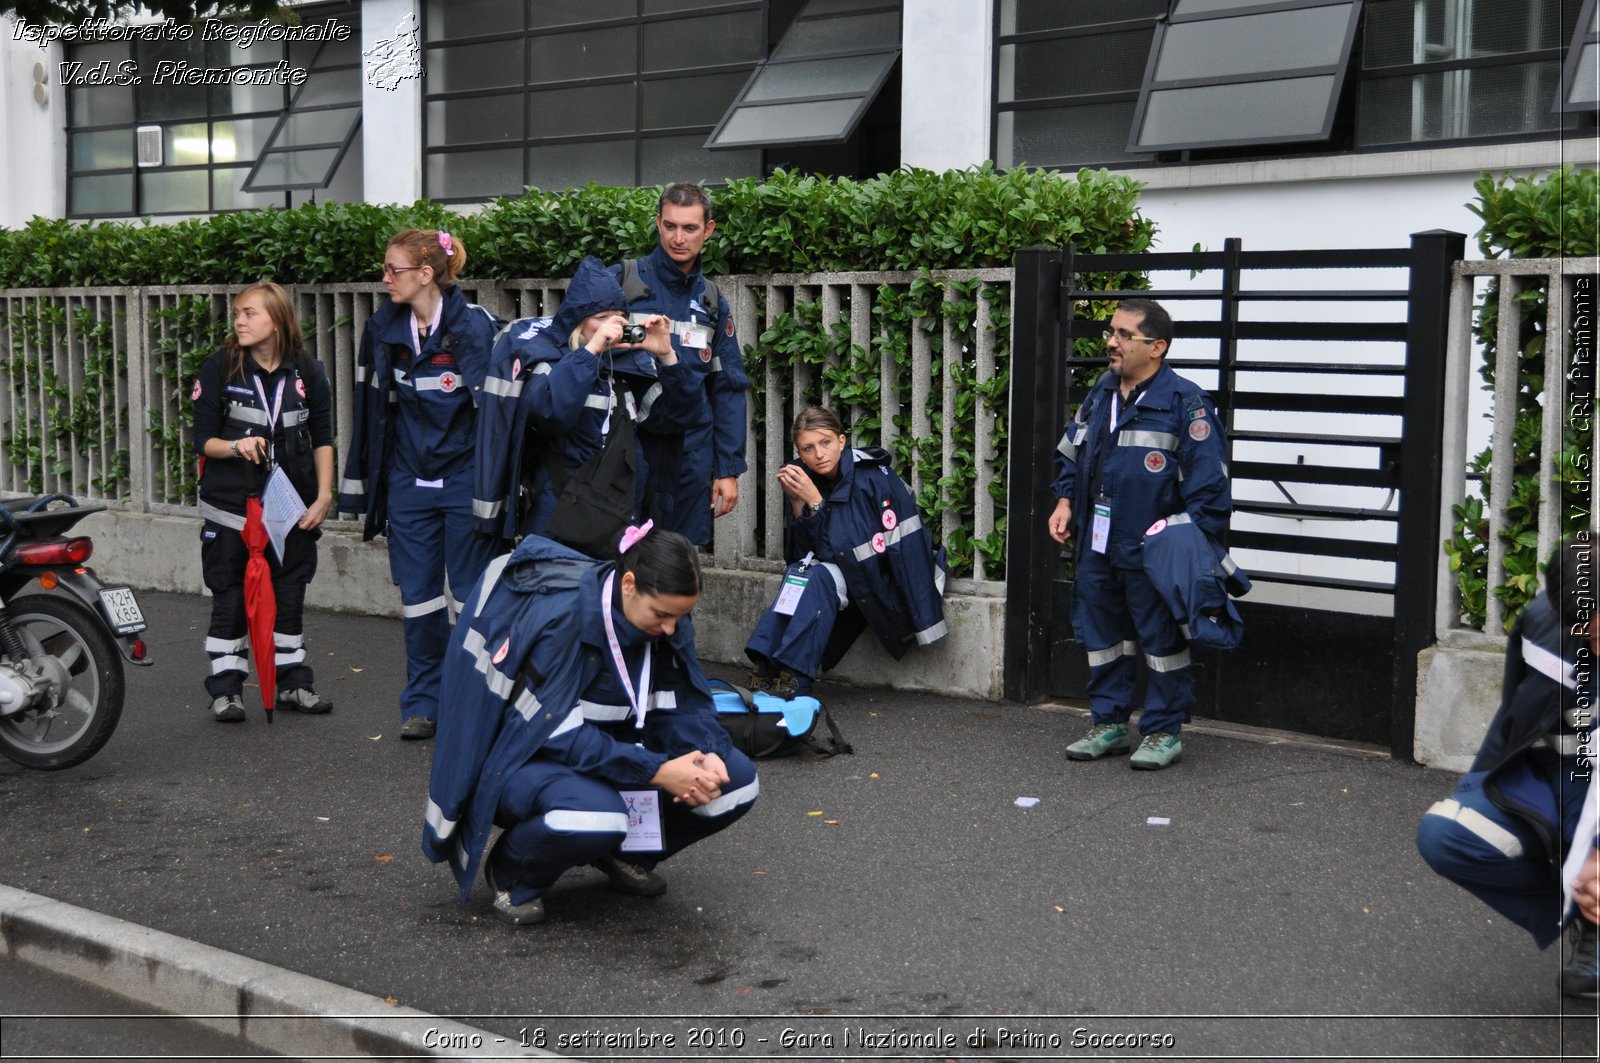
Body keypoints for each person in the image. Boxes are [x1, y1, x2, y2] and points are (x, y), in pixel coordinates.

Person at [422, 523, 759, 926]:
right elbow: (559, 737)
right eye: (663, 615)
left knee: (736, 782)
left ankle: (624, 854)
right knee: (594, 815)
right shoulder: (563, 617)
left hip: (613, 753)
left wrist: (710, 752)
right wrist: (657, 771)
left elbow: (685, 703)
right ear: (629, 584)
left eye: (681, 616)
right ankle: (514, 873)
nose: (671, 628)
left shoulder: (667, 621)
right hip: (526, 760)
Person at [1046, 298, 1230, 770]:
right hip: (1097, 542)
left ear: (1157, 347)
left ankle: (1163, 731)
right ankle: (1108, 724)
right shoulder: (1100, 394)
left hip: (1152, 551)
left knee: (1160, 641)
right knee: (1101, 635)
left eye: (1125, 335)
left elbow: (1209, 490)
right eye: (1112, 332)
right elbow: (1070, 453)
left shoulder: (1186, 404)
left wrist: (1179, 544)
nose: (1112, 342)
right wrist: (1065, 500)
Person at [1417, 537, 1600, 1000]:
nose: (1596, 646)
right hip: (1560, 778)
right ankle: (1582, 909)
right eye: (1588, 635)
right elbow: (1512, 721)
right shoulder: (1543, 624)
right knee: (1445, 834)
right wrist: (1478, 785)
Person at [338, 229, 500, 741]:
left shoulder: (478, 328)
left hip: (464, 483)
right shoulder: (382, 329)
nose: (385, 279)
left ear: (426, 274)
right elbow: (370, 414)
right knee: (420, 602)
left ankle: (474, 702)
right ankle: (423, 703)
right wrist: (369, 486)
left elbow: (498, 418)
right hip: (408, 482)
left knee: (472, 598)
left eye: (393, 270)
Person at [472, 256, 704, 548]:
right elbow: (549, 414)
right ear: (576, 320)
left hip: (618, 519)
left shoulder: (628, 366)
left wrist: (667, 357)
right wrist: (591, 351)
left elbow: (682, 416)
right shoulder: (550, 361)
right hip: (559, 518)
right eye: (599, 318)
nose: (607, 327)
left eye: (615, 317)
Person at [191, 281, 335, 722]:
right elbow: (203, 441)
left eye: (249, 313)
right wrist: (237, 447)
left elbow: (323, 438)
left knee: (289, 594)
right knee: (231, 597)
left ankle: (294, 684)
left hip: (290, 510)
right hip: (231, 508)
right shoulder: (219, 368)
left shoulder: (307, 370)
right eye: (237, 312)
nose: (239, 320)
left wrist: (324, 496)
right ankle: (227, 689)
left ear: (277, 319)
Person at [744, 407, 946, 697]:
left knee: (817, 577)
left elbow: (883, 548)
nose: (819, 454)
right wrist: (798, 503)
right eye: (808, 448)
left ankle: (796, 676)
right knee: (799, 572)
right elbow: (805, 555)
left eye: (825, 443)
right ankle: (767, 663)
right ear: (800, 453)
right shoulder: (808, 479)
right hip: (847, 576)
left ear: (841, 440)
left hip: (881, 582)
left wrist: (815, 501)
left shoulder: (872, 478)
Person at [611, 183, 750, 545]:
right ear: (658, 223)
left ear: (708, 230)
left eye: (690, 228)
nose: (678, 237)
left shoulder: (712, 301)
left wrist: (728, 469)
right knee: (620, 557)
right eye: (670, 226)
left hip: (691, 452)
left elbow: (728, 387)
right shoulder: (622, 281)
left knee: (678, 562)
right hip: (630, 446)